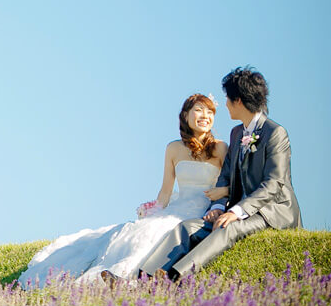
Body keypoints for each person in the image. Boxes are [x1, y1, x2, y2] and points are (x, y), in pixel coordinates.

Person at [18, 93, 226, 289]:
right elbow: (166, 190)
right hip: (177, 207)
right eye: (199, 110)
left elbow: (229, 183)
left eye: (210, 113)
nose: (205, 116)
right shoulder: (173, 148)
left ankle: (133, 279)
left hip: (203, 209)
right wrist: (153, 210)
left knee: (166, 233)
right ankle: (119, 275)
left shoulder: (220, 148)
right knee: (144, 231)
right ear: (186, 115)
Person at [137, 67, 301, 280]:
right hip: (239, 209)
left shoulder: (275, 133)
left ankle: (174, 278)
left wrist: (237, 211)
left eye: (227, 99)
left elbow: (274, 184)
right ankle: (142, 278)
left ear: (238, 100)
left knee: (227, 229)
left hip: (272, 211)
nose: (224, 105)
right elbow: (225, 176)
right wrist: (216, 207)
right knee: (187, 227)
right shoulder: (237, 133)